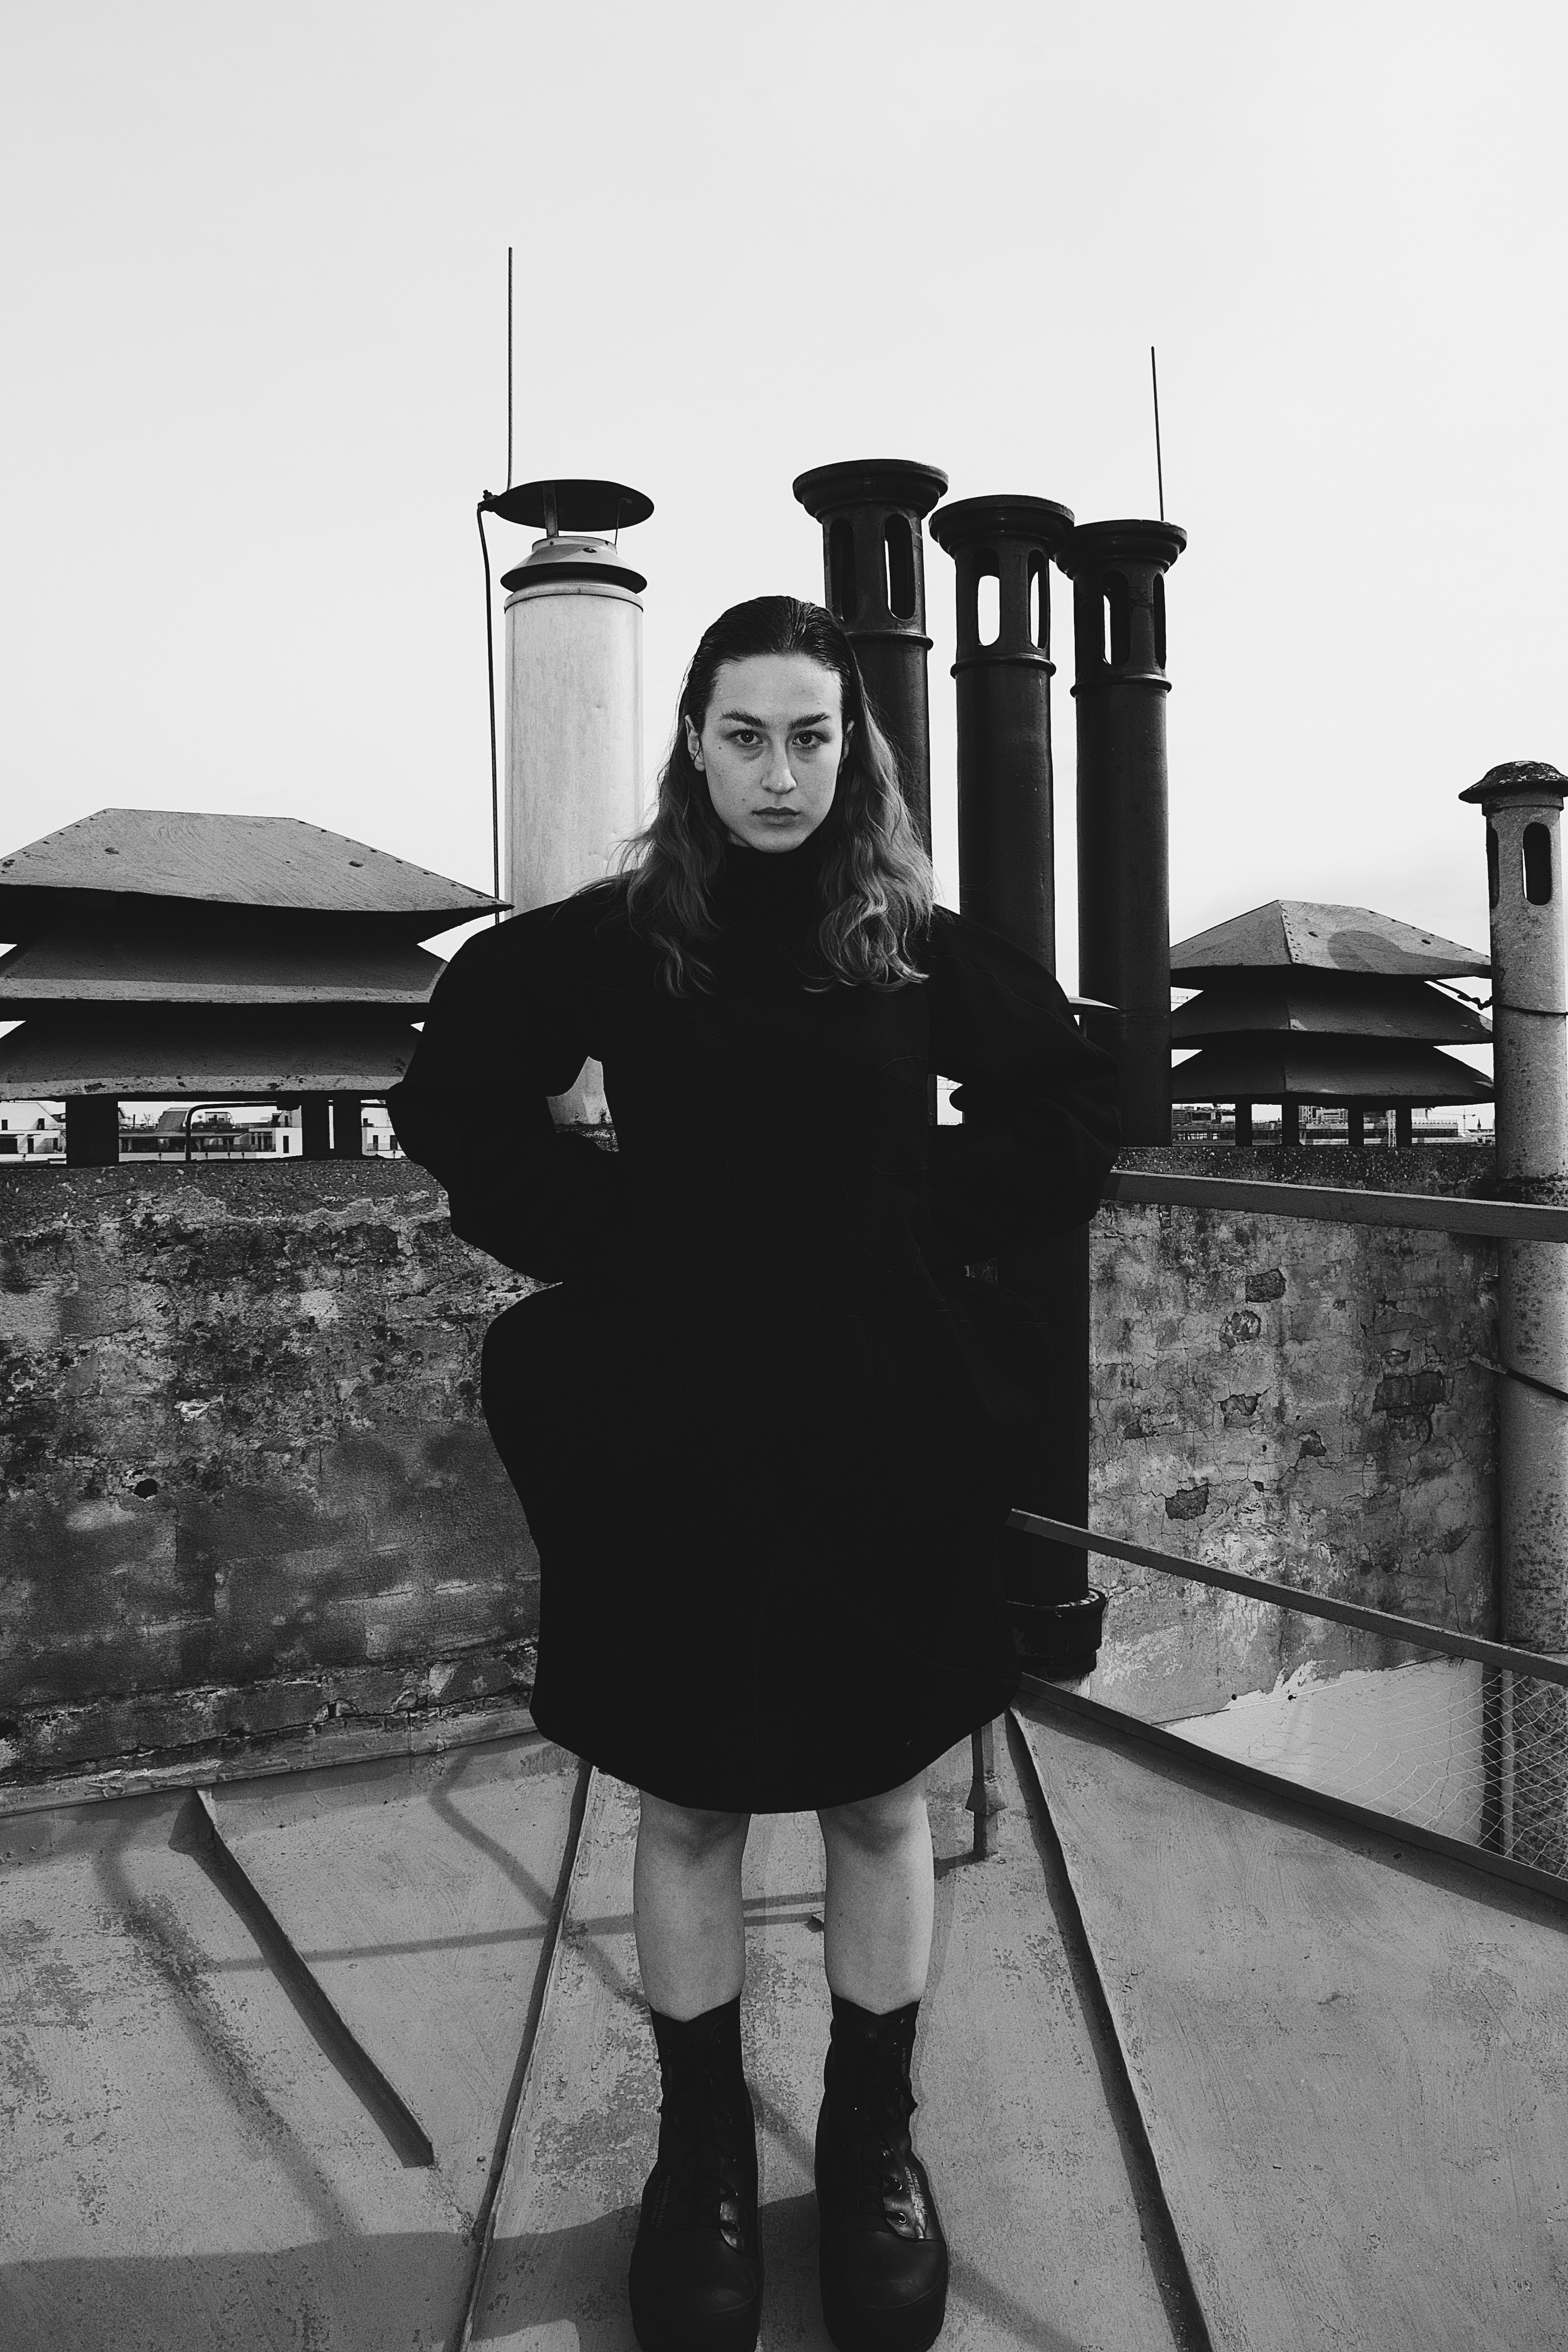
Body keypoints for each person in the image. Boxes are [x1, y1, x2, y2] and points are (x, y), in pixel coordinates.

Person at [386, 594, 1119, 2352]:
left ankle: (872, 2148)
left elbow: (1068, 1104)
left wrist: (917, 1224)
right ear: (694, 747)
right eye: (745, 735)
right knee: (694, 1802)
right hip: (681, 1433)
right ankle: (701, 2156)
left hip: (877, 1436)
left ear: (848, 754)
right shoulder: (624, 943)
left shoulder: (906, 941)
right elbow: (454, 1095)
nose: (779, 772)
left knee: (877, 1800)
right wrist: (608, 1227)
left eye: (811, 738)